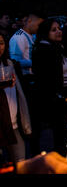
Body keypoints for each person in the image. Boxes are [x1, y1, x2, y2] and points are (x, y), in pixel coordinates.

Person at [32, 19, 67, 156]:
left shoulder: (58, 47)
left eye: (59, 28)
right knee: (65, 135)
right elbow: (49, 82)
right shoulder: (44, 51)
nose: (59, 31)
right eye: (53, 30)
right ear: (45, 33)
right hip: (58, 100)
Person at [9, 13, 43, 156]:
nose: (39, 27)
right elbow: (15, 62)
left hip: (34, 81)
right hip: (26, 83)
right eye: (38, 24)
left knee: (37, 121)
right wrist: (36, 63)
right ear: (29, 21)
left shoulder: (32, 36)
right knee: (30, 120)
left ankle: (37, 151)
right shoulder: (18, 37)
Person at [0, 33, 32, 164]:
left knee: (21, 163)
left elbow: (20, 95)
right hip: (1, 128)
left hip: (14, 125)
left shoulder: (9, 63)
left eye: (1, 43)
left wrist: (25, 123)